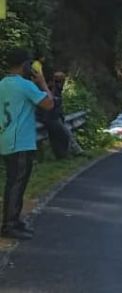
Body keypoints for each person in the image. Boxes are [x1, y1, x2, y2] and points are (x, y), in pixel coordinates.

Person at [0, 48, 54, 240]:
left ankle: (14, 219)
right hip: (20, 142)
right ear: (25, 65)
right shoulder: (24, 85)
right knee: (16, 184)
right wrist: (42, 82)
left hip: (7, 139)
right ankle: (9, 224)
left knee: (15, 182)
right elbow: (48, 103)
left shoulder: (3, 84)